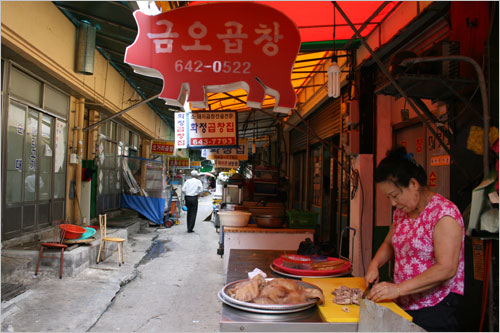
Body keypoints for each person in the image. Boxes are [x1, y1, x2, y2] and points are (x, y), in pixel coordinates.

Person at [365, 147, 464, 332]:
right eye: (389, 198)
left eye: (395, 195)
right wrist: (374, 264)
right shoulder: (402, 212)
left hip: (434, 309)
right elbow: (389, 243)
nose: (393, 203)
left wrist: (398, 289)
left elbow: (447, 268)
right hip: (403, 305)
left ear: (413, 184)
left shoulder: (444, 214)